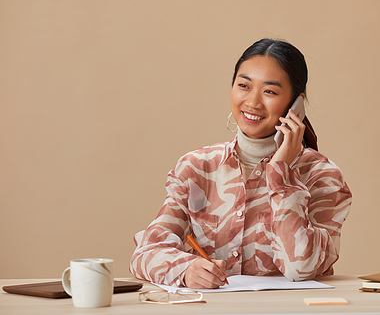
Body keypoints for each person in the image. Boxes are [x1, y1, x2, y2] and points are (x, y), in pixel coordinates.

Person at [129, 38, 352, 289]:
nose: (252, 102)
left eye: (269, 91)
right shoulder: (196, 168)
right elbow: (146, 252)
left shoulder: (322, 176)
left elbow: (301, 268)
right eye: (244, 86)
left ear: (295, 106)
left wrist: (281, 173)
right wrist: (185, 269)